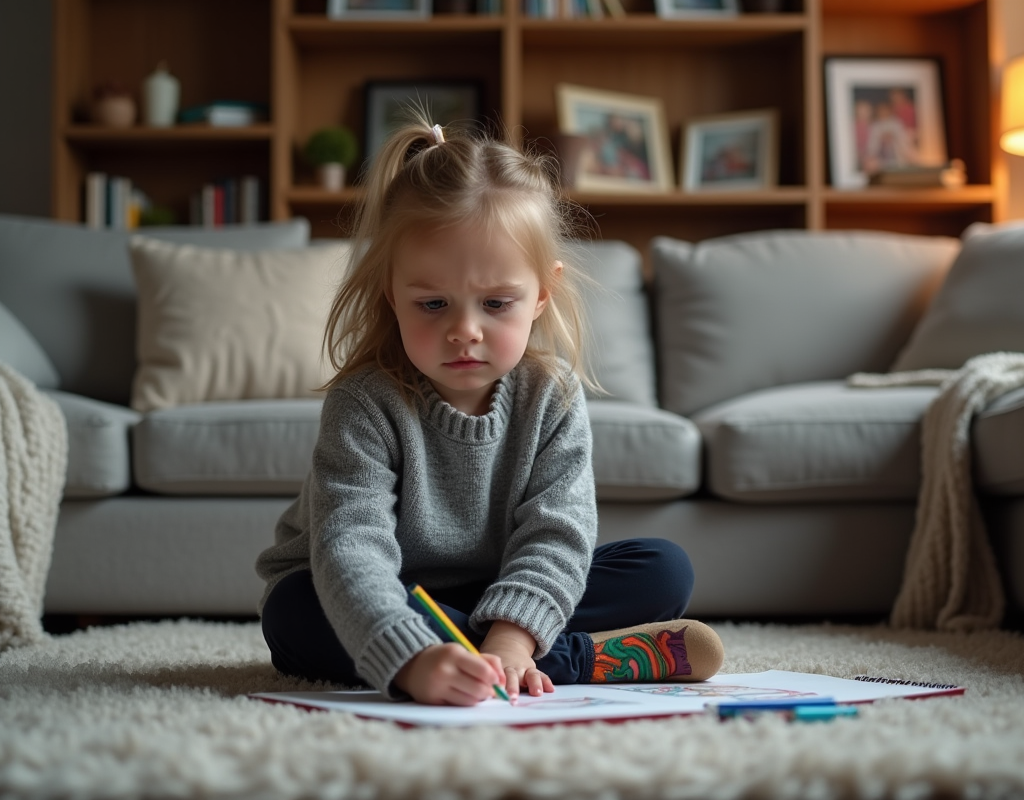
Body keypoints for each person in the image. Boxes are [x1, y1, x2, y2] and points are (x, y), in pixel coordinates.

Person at [255, 116, 724, 706]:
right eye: (432, 303)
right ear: (389, 294)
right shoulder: (365, 402)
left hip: (497, 587)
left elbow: (558, 533)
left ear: (541, 295)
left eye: (497, 303)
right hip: (376, 591)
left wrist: (512, 634)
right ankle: (577, 659)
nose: (465, 331)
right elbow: (351, 547)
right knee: (297, 613)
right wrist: (411, 658)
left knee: (662, 569)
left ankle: (504, 653)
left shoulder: (550, 394)